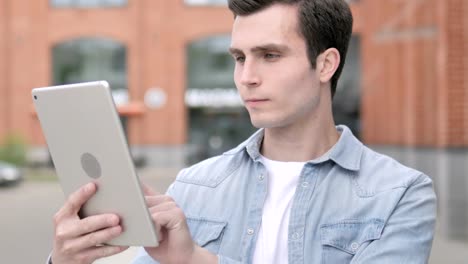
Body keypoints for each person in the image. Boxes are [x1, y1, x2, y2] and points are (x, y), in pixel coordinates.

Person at [48, 0, 437, 263]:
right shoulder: (193, 187)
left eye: (269, 55)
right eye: (238, 58)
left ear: (325, 65)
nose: (246, 78)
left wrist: (196, 261)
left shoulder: (399, 194)